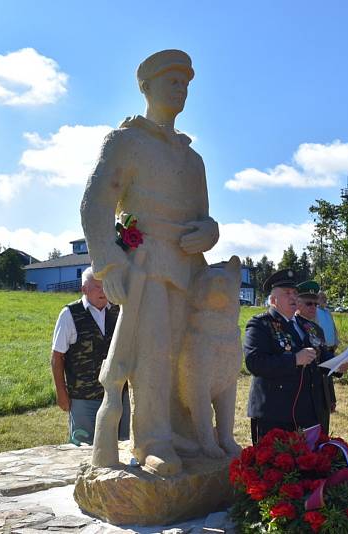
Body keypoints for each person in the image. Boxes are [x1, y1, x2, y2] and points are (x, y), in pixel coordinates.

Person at [81, 49, 219, 474]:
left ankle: (189, 437)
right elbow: (95, 204)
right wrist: (109, 263)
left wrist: (210, 232)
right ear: (146, 86)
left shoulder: (192, 159)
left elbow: (203, 216)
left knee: (185, 358)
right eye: (171, 80)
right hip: (147, 267)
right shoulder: (126, 142)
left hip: (189, 271)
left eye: (186, 83)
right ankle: (153, 441)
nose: (180, 89)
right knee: (153, 355)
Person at [244, 270, 343, 444]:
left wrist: (339, 364)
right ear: (273, 301)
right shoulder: (261, 325)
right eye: (287, 293)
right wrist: (294, 360)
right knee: (275, 468)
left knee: (309, 466)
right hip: (275, 414)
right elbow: (255, 363)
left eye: (295, 293)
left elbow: (321, 357)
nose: (293, 297)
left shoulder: (308, 326)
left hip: (308, 412)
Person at [50, 267, 129, 445]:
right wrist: (61, 392)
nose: (103, 292)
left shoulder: (120, 312)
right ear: (84, 289)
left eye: (106, 286)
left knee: (122, 446)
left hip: (117, 395)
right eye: (97, 287)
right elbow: (57, 358)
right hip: (83, 397)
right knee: (83, 449)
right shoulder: (70, 314)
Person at [295, 281, 348, 433]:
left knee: (322, 431)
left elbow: (324, 357)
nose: (314, 308)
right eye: (309, 304)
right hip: (302, 392)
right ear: (297, 303)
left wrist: (339, 365)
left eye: (315, 304)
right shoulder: (292, 326)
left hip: (319, 388)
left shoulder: (316, 329)